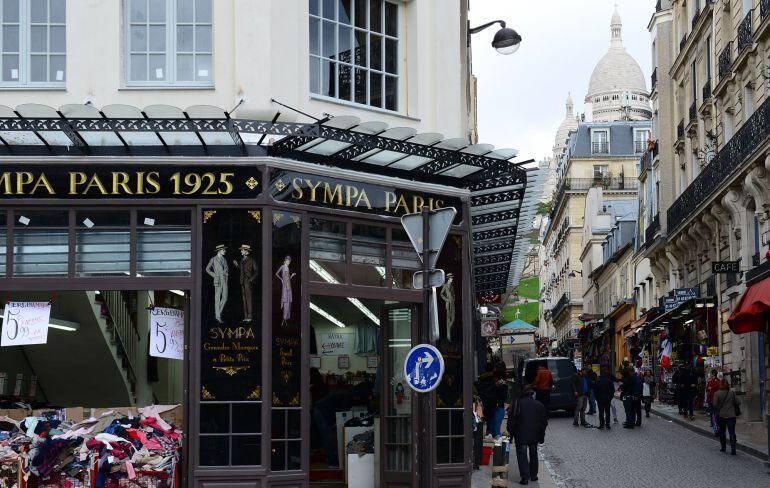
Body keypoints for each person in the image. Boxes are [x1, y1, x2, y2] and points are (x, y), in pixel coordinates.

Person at [507, 385, 548, 486]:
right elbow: (544, 423)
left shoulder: (517, 403)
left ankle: (525, 477)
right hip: (534, 435)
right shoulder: (539, 405)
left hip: (521, 435)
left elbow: (512, 420)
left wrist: (511, 432)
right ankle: (533, 475)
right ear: (532, 394)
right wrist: (541, 436)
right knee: (534, 454)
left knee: (522, 455)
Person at [712, 378, 741, 455]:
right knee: (732, 432)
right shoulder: (732, 393)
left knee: (722, 432)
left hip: (721, 415)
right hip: (731, 415)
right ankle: (733, 449)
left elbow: (714, 404)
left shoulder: (717, 393)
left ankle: (723, 447)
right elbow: (738, 402)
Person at [233, 244, 258, 322]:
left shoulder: (251, 260)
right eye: (241, 250)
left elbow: (256, 271)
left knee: (248, 299)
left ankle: (250, 317)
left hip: (248, 281)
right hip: (242, 281)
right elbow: (241, 270)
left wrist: (251, 279)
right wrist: (237, 265)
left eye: (242, 250)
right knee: (244, 300)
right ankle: (246, 316)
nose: (241, 251)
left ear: (246, 252)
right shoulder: (241, 260)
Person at [205, 244, 229, 323]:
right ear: (219, 250)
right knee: (217, 298)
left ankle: (218, 312)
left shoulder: (224, 259)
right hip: (218, 280)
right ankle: (218, 316)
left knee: (225, 298)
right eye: (223, 250)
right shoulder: (213, 259)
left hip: (224, 280)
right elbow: (207, 269)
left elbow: (226, 268)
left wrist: (226, 272)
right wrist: (215, 275)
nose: (225, 251)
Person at [474, 363, 497, 439]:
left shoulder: (481, 378)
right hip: (491, 403)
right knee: (490, 420)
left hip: (482, 402)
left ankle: (478, 434)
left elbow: (477, 387)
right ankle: (488, 434)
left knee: (480, 419)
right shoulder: (493, 379)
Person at [492, 362, 509, 440]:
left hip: (497, 406)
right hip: (498, 407)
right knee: (495, 427)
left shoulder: (501, 384)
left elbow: (502, 396)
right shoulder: (501, 384)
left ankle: (497, 445)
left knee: (496, 428)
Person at [706, 369, 721, 435]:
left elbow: (715, 388)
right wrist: (709, 389)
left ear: (713, 374)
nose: (710, 375)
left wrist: (710, 388)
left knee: (715, 412)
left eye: (711, 374)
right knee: (711, 412)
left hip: (715, 399)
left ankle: (716, 424)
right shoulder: (710, 381)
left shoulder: (718, 381)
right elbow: (707, 388)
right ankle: (712, 423)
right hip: (710, 398)